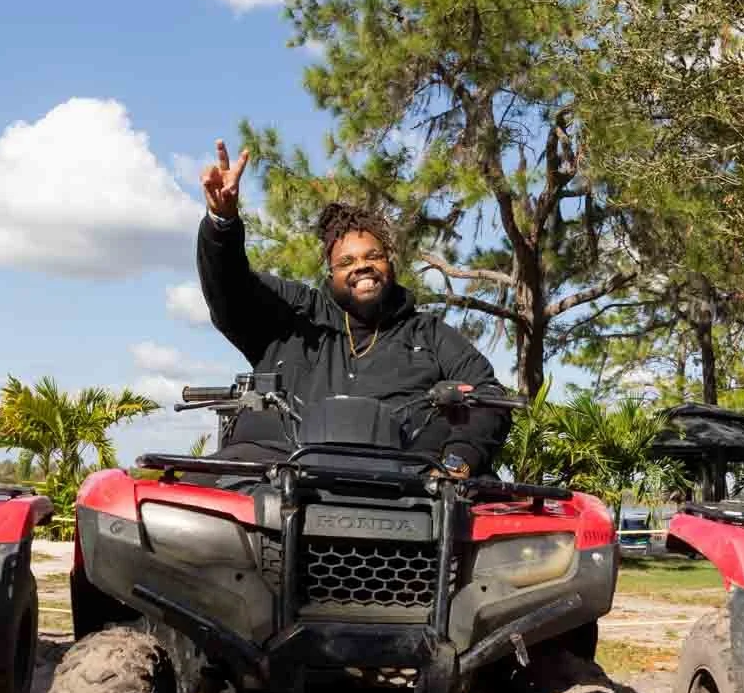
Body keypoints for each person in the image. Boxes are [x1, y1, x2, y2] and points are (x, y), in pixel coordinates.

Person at [195, 139, 510, 477]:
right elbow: (230, 288)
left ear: (390, 263)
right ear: (330, 274)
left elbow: (488, 395)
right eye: (346, 261)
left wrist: (458, 458)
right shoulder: (294, 313)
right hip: (277, 478)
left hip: (413, 488)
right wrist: (222, 223)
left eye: (373, 256)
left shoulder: (429, 334)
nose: (362, 266)